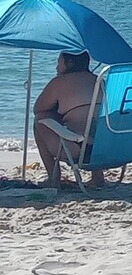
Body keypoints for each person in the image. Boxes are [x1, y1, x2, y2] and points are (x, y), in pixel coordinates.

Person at [32, 52, 104, 189]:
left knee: (39, 121)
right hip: (104, 148)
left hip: (78, 149)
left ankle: (54, 178)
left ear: (69, 63)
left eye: (59, 62)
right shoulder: (98, 80)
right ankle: (97, 177)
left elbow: (38, 109)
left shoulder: (59, 83)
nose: (56, 67)